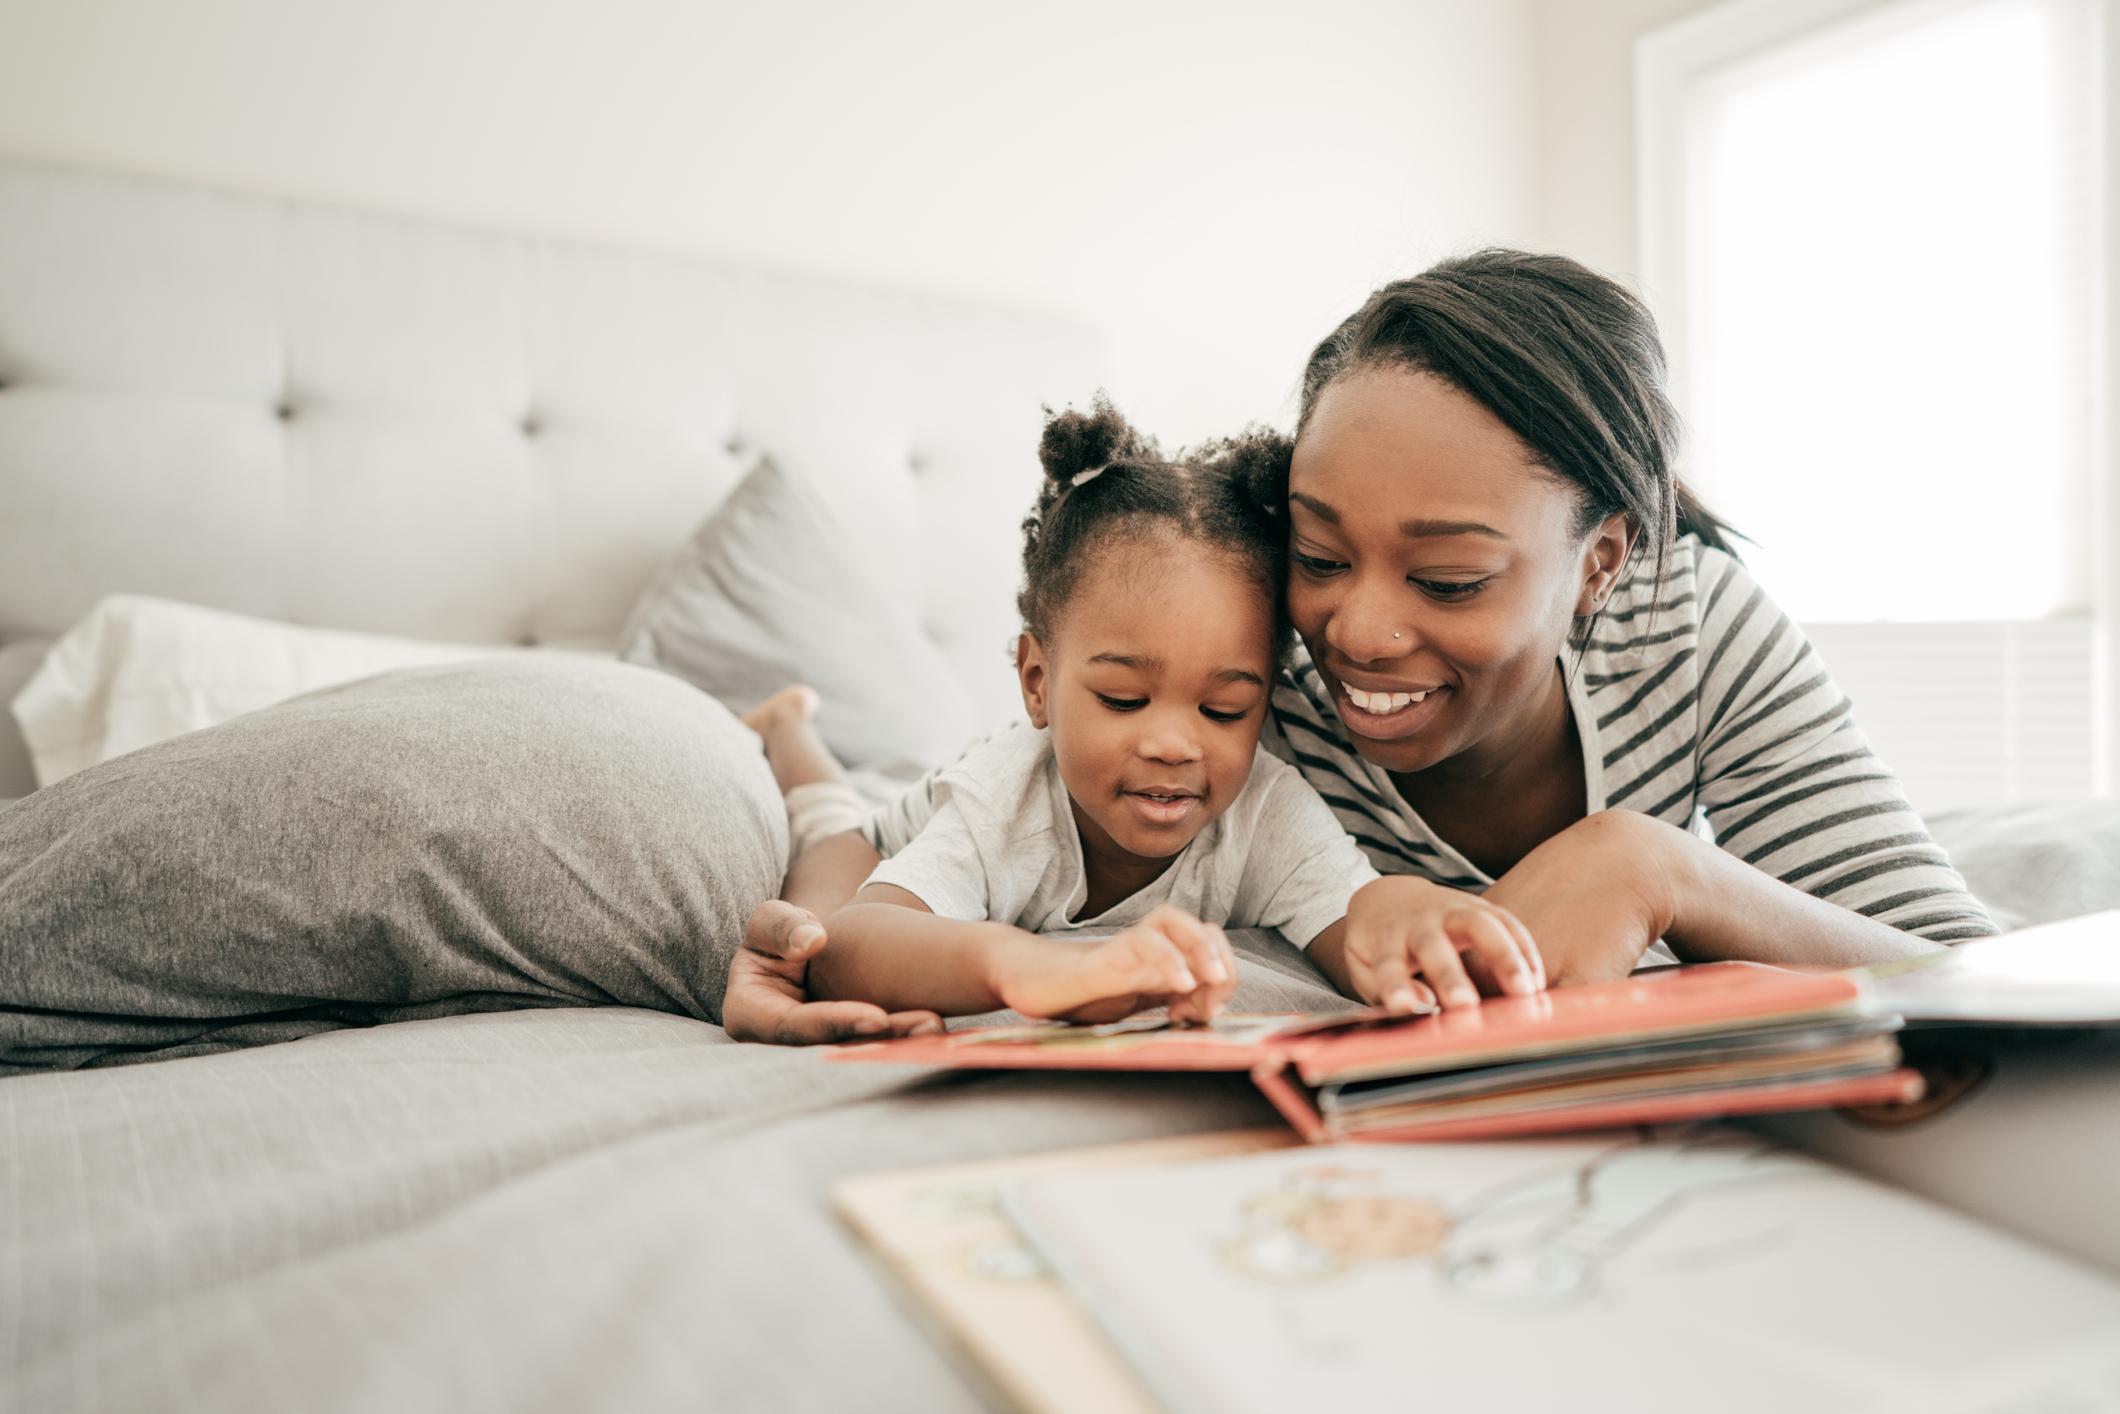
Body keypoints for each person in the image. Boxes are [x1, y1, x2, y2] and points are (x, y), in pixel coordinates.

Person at [723, 250, 1993, 1046]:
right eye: (1318, 555)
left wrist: (1662, 870)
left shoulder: (1694, 626)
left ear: (1602, 559)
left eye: (1447, 576)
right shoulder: (1233, 682)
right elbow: (983, 849)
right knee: (844, 805)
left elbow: (1978, 976)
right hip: (917, 807)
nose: (1354, 633)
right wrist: (812, 933)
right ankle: (794, 735)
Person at [735, 401, 1544, 1037]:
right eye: (1123, 700)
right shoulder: (1002, 801)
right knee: (826, 848)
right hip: (882, 840)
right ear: (1038, 682)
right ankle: (788, 728)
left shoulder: (1266, 811)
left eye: (1225, 709)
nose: (1171, 744)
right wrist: (1025, 967)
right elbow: (861, 943)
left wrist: (1407, 914)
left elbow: (1351, 911)